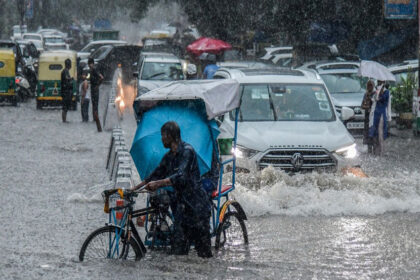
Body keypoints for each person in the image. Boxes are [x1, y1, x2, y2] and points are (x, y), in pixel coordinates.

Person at [131, 121, 213, 258]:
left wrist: (158, 184)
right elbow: (154, 175)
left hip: (197, 209)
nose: (161, 139)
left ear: (171, 136)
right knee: (178, 254)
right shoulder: (169, 157)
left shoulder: (188, 151)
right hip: (182, 210)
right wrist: (134, 189)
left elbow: (181, 176)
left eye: (163, 135)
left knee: (204, 256)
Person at [369, 80, 390, 156]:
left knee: (381, 133)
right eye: (378, 82)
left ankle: (381, 152)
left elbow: (387, 103)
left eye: (381, 83)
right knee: (375, 132)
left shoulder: (386, 92)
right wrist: (376, 93)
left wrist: (389, 117)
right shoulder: (376, 91)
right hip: (375, 114)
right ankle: (376, 151)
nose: (379, 84)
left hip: (382, 114)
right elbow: (373, 100)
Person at [88, 58, 104, 132]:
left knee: (95, 104)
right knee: (94, 104)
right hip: (93, 89)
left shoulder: (94, 69)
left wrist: (97, 85)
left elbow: (101, 77)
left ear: (90, 64)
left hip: (94, 89)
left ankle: (96, 119)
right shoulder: (92, 70)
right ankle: (95, 119)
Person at [361, 80, 375, 153]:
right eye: (368, 86)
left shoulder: (375, 94)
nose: (369, 87)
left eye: (371, 85)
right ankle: (369, 147)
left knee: (372, 130)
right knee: (367, 131)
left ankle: (373, 146)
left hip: (372, 116)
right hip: (367, 116)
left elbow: (375, 104)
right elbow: (362, 105)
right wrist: (367, 106)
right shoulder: (366, 94)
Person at [60, 59, 73, 123]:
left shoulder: (65, 71)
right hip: (65, 92)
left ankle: (64, 120)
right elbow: (66, 78)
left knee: (65, 107)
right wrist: (71, 79)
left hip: (65, 92)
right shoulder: (65, 71)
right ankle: (64, 120)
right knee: (65, 107)